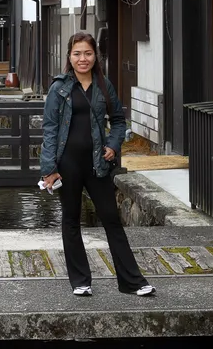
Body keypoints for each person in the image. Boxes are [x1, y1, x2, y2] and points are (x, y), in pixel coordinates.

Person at [40, 31, 156, 298]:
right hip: (67, 163)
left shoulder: (104, 85)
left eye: (88, 53)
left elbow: (118, 120)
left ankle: (132, 282)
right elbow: (49, 130)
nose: (83, 59)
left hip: (97, 164)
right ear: (69, 56)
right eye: (77, 53)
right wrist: (49, 168)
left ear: (95, 56)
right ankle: (80, 281)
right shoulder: (59, 88)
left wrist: (114, 146)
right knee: (71, 220)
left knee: (111, 219)